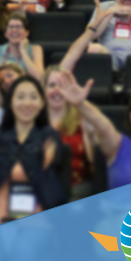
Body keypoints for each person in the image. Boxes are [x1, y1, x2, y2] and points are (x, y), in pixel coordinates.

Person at [0, 75, 67, 226]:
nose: (27, 103)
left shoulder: (48, 134)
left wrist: (48, 154)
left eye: (33, 97)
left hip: (37, 213)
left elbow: (53, 150)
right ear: (10, 102)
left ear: (42, 103)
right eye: (20, 97)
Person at [42, 66, 94, 198]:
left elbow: (93, 159)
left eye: (62, 85)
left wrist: (81, 104)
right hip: (41, 191)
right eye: (52, 85)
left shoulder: (82, 119)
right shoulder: (34, 122)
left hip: (77, 192)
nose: (56, 90)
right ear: (43, 90)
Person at [0, 13, 45, 80]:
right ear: (5, 33)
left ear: (27, 33)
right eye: (10, 27)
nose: (14, 30)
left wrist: (22, 51)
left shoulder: (35, 49)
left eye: (18, 27)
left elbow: (40, 78)